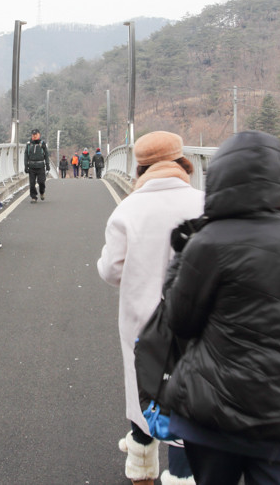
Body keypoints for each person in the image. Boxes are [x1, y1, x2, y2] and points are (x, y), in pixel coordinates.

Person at [161, 130, 280, 485]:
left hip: (215, 414)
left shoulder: (208, 243)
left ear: (219, 179)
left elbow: (180, 321)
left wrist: (181, 256)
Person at [98, 131, 204, 485]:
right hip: (198, 321)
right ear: (183, 163)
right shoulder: (206, 203)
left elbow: (111, 269)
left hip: (143, 321)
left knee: (143, 386)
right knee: (192, 395)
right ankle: (184, 472)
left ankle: (142, 467)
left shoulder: (128, 208)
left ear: (140, 167)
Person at [25, 128, 50, 202]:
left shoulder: (42, 143)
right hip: (32, 166)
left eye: (36, 134)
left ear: (39, 134)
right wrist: (26, 165)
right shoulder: (29, 144)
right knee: (32, 184)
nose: (34, 136)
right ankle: (34, 197)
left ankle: (42, 192)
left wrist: (47, 164)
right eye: (33, 135)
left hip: (41, 166)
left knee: (41, 182)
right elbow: (26, 155)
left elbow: (46, 154)